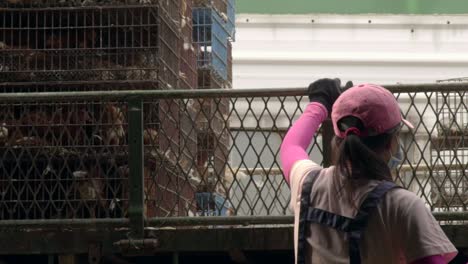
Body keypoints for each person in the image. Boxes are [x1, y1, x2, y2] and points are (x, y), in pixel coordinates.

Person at [280, 79, 458, 264]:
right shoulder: (401, 205)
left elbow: (291, 146)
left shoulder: (307, 184)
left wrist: (319, 104)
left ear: (338, 140)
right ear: (391, 143)